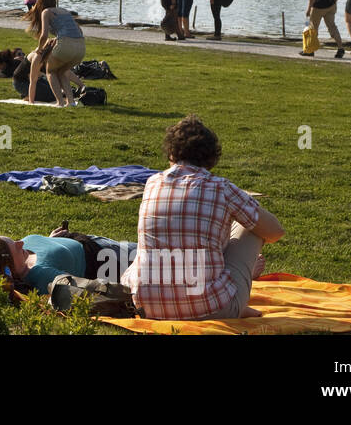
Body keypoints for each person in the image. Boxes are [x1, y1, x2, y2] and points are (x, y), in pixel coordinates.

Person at [120, 115, 285, 320]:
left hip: (145, 305)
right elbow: (275, 231)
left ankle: (230, 296)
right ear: (211, 157)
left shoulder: (152, 183)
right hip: (210, 308)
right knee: (250, 228)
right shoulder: (221, 188)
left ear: (171, 153)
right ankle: (234, 300)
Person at [0, 227, 137, 292]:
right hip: (106, 257)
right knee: (158, 251)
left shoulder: (21, 259)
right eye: (15, 246)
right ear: (8, 267)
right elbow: (81, 288)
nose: (21, 242)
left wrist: (50, 239)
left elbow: (46, 253)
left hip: (90, 241)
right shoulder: (41, 275)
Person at [22, 0, 86, 107]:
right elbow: (79, 30)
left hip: (66, 45)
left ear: (41, 3)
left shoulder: (46, 12)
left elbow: (44, 35)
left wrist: (39, 49)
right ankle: (71, 102)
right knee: (61, 72)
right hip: (81, 47)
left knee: (50, 70)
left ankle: (60, 102)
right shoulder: (65, 11)